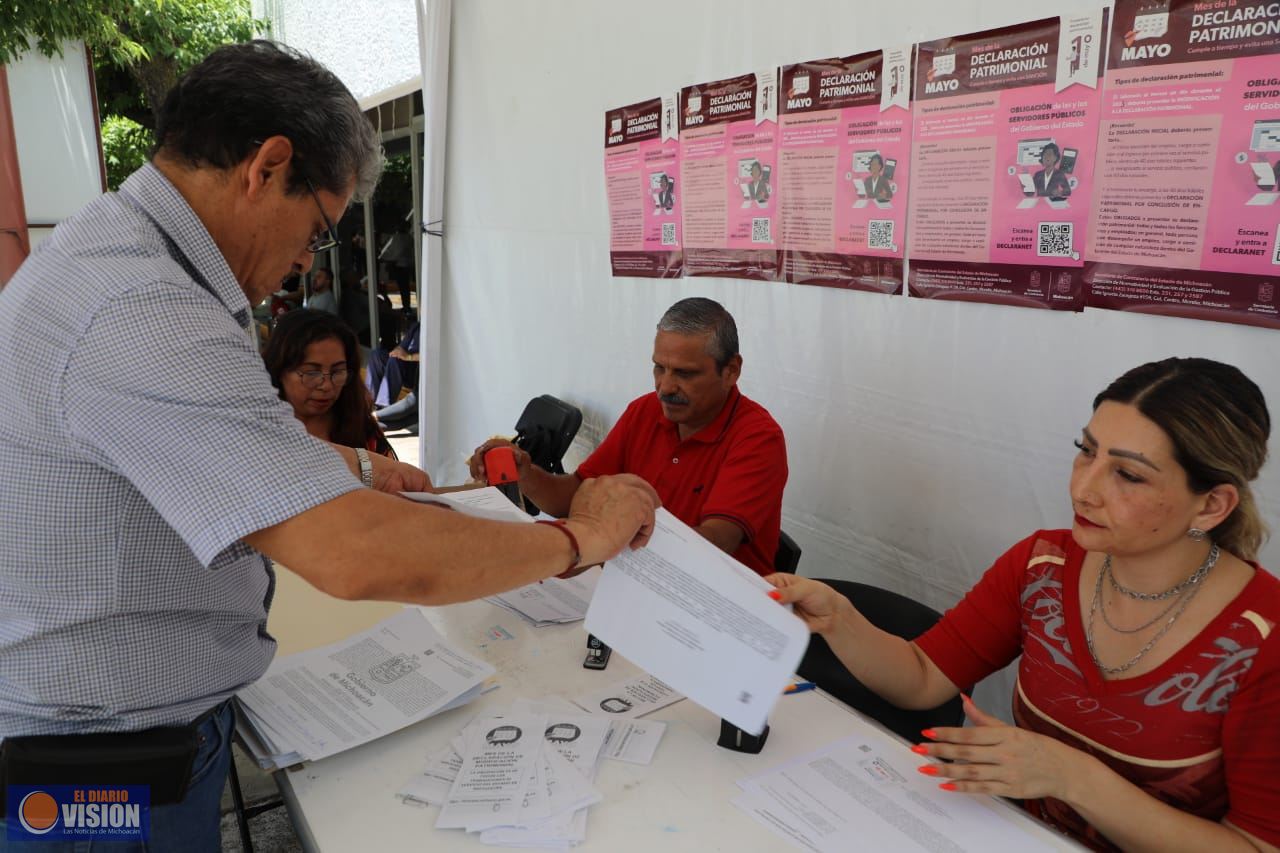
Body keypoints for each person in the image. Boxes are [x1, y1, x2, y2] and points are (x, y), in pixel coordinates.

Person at [0, 41, 657, 851]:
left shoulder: (121, 252)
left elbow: (207, 437)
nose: (307, 260)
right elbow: (356, 556)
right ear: (268, 167)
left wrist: (354, 463)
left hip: (112, 735)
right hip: (101, 766)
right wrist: (579, 541)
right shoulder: (142, 307)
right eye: (319, 227)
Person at [767, 358, 1280, 852]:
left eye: (1129, 475)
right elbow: (924, 676)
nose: (1084, 488)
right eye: (1087, 450)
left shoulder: (1264, 637)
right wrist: (840, 619)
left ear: (1212, 504)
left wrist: (1072, 776)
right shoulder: (1045, 565)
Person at [471, 297, 787, 576]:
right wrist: (526, 474)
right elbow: (574, 495)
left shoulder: (758, 438)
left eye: (685, 373)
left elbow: (715, 546)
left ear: (731, 371)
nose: (665, 387)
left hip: (717, 607)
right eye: (659, 368)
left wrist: (607, 536)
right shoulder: (645, 411)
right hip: (637, 586)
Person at [264, 309, 394, 456]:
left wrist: (362, 466)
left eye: (337, 372)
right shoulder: (258, 431)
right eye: (311, 373)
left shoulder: (361, 428)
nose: (326, 386)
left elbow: (391, 474)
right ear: (279, 371)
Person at [366, 316, 421, 408]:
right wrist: (397, 351)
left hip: (417, 373)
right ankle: (367, 403)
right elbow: (400, 347)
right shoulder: (417, 326)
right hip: (403, 367)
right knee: (376, 355)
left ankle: (382, 407)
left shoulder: (436, 331)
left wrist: (408, 357)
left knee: (395, 360)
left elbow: (432, 356)